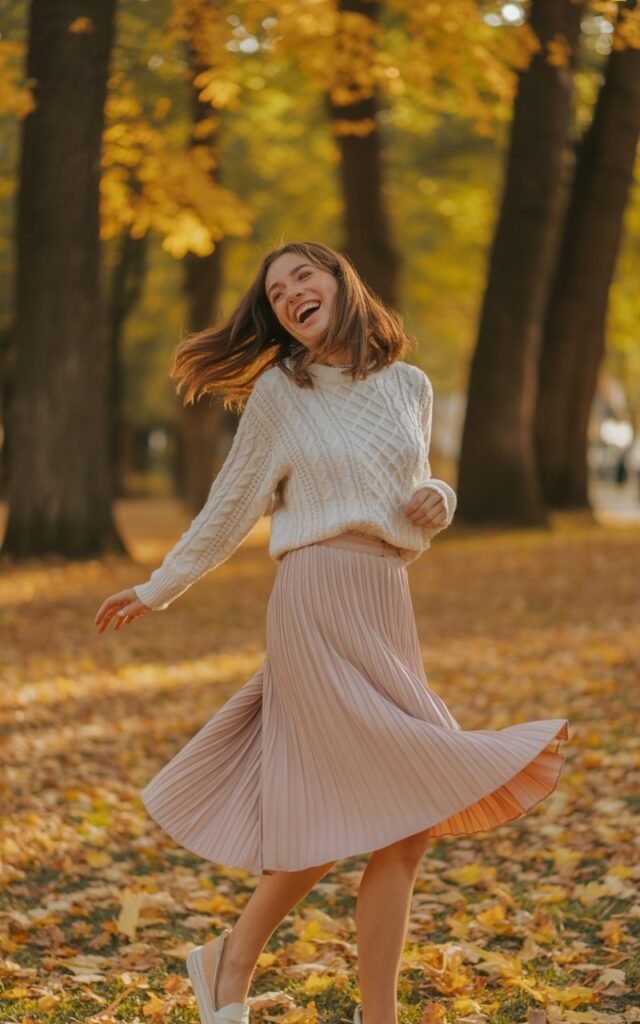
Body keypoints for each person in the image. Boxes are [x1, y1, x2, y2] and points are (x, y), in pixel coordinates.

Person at [94, 241, 569, 1024]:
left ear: (341, 281)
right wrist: (157, 588)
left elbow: (410, 485)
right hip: (314, 599)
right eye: (276, 292)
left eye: (302, 277)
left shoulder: (410, 385)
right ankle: (240, 968)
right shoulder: (282, 391)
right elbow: (231, 505)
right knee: (344, 803)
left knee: (404, 827)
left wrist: (440, 498)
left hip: (385, 602)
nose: (289, 296)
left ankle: (268, 977)